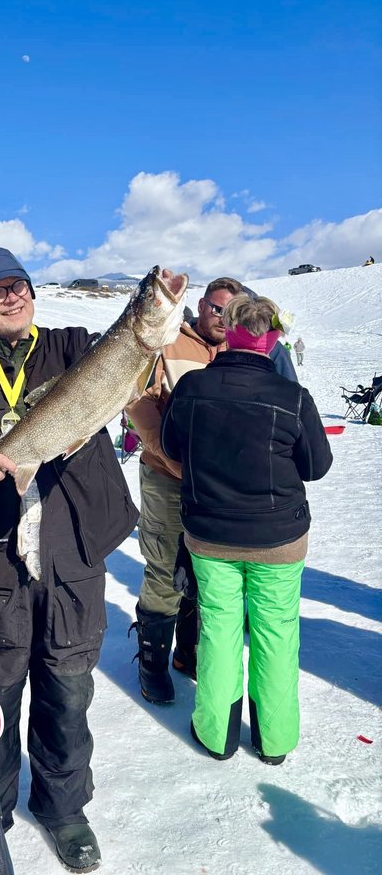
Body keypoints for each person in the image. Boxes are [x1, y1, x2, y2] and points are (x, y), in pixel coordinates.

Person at [0, 247, 137, 873]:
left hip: (72, 554)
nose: (10, 297)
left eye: (19, 286)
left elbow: (130, 355)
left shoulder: (73, 346)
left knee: (67, 692)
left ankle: (65, 809)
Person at [160, 293, 332, 762]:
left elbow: (172, 447)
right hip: (278, 536)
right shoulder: (292, 397)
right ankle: (274, 740)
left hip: (210, 535)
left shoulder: (193, 387)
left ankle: (217, 735)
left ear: (229, 330)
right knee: (276, 631)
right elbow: (316, 465)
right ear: (273, 338)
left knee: (218, 628)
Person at [126, 276, 242, 703]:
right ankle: (152, 661)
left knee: (206, 567)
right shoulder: (169, 342)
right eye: (215, 308)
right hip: (166, 477)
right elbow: (137, 400)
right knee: (164, 567)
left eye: (230, 311)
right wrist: (162, 450)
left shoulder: (241, 351)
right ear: (200, 305)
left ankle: (187, 652)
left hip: (216, 485)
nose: (221, 318)